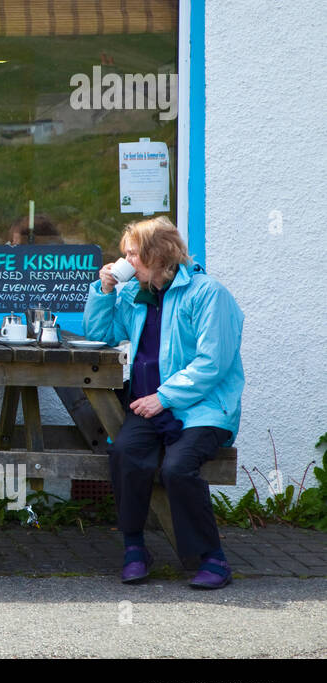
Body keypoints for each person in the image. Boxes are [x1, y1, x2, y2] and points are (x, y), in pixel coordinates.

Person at [84, 216, 244, 590]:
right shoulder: (135, 294)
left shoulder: (208, 294)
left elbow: (213, 362)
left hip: (203, 408)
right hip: (150, 404)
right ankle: (135, 548)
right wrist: (103, 291)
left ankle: (211, 558)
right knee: (125, 453)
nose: (126, 261)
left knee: (178, 468)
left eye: (133, 254)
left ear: (158, 256)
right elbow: (100, 335)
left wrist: (164, 397)